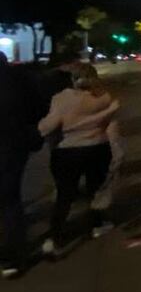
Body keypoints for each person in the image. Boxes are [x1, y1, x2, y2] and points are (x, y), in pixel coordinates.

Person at [37, 63, 121, 256]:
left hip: (67, 153)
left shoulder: (62, 99)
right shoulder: (105, 98)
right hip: (98, 149)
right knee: (95, 189)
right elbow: (112, 129)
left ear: (73, 79)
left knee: (65, 195)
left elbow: (49, 126)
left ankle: (55, 238)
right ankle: (97, 224)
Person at [0, 55, 45, 277]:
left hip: (11, 144)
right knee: (11, 200)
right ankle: (13, 259)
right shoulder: (19, 79)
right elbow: (39, 108)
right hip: (13, 146)